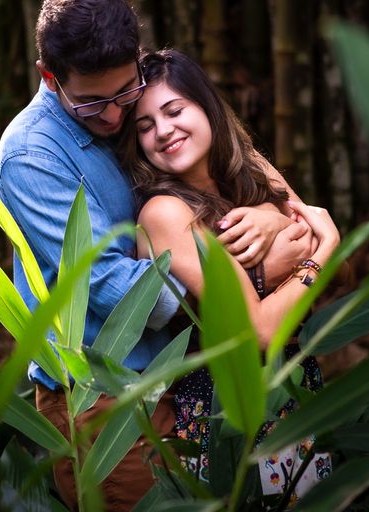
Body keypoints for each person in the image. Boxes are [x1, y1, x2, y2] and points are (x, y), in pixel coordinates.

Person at [0, 0, 310, 510]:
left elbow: (257, 182)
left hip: (191, 379)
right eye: (94, 101)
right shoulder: (31, 157)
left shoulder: (144, 98)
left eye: (125, 94)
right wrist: (252, 274)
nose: (117, 117)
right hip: (105, 394)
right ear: (49, 77)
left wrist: (270, 217)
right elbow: (109, 289)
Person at [119, 48, 340, 497]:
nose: (163, 131)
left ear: (207, 106)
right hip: (228, 411)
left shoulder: (250, 168)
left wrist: (273, 218)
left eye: (174, 110)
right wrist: (324, 251)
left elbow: (333, 263)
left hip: (296, 392)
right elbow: (259, 329)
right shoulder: (164, 212)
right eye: (145, 126)